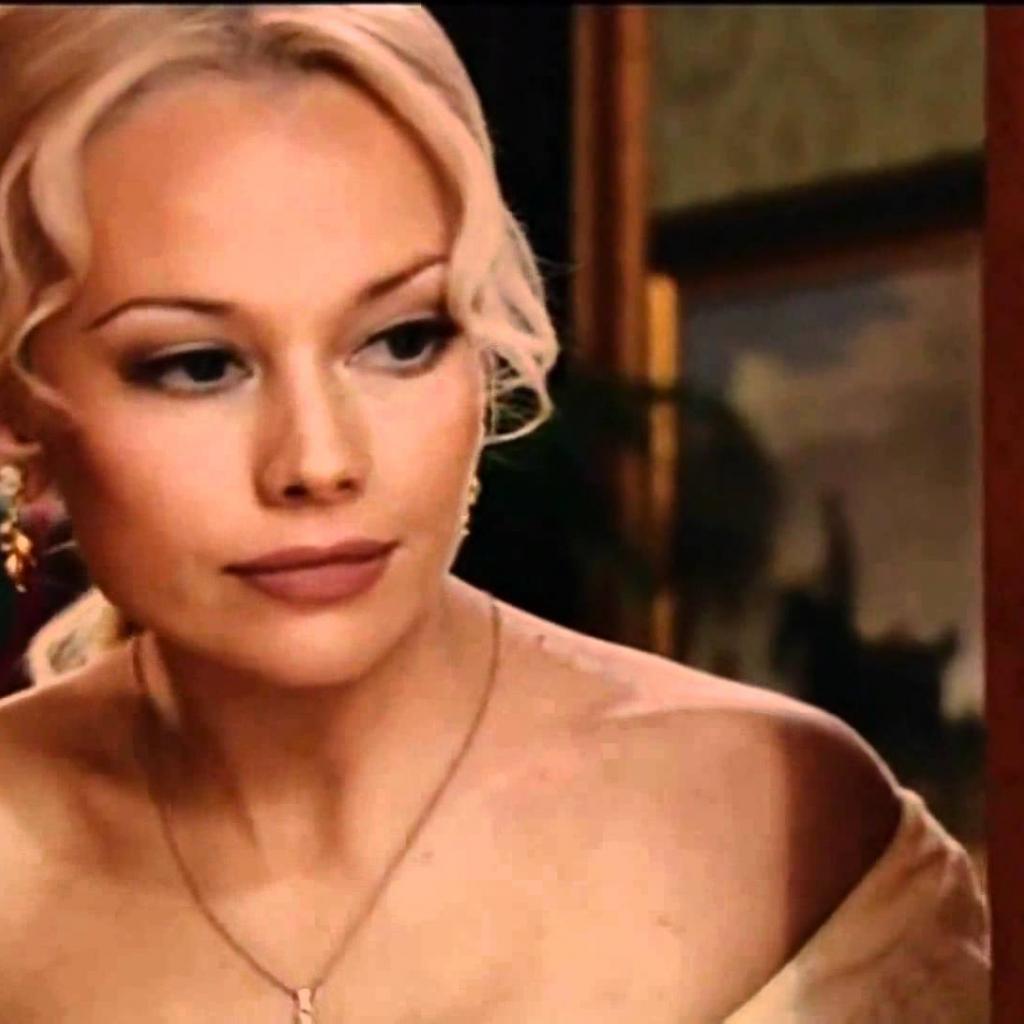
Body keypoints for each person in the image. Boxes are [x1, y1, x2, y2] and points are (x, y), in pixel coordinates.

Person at [0, 6, 988, 1022]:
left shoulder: (776, 817)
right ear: (17, 408)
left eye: (401, 340)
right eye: (199, 365)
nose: (320, 462)